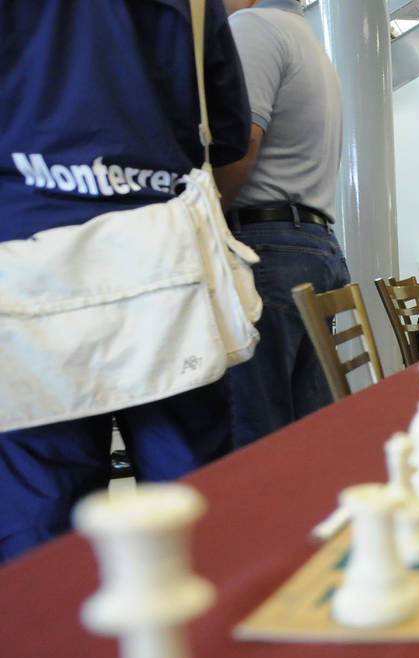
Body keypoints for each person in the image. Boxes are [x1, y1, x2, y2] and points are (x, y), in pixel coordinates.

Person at [0, 0, 251, 560]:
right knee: (189, 499)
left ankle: (58, 617)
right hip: (166, 269)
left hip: (23, 267)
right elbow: (228, 136)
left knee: (40, 520)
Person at [217, 0, 351, 449]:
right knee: (302, 438)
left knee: (255, 437)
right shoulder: (309, 41)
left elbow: (242, 141)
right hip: (311, 244)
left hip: (267, 247)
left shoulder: (252, 26)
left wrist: (206, 221)